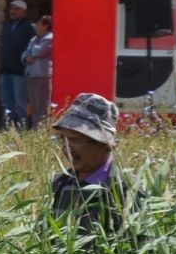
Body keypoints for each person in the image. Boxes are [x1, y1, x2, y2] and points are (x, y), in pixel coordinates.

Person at [50, 92, 130, 232]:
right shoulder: (60, 184)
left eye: (75, 140)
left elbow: (141, 245)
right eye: (64, 139)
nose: (66, 148)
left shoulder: (124, 189)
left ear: (104, 145)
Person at [0, 0, 36, 127]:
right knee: (6, 102)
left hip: (20, 71)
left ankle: (22, 128)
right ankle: (8, 128)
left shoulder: (29, 27)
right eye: (12, 9)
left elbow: (33, 47)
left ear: (24, 11)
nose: (13, 11)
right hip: (5, 69)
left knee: (21, 102)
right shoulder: (6, 25)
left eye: (17, 9)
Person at [24, 14, 55, 127]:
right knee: (33, 104)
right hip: (31, 74)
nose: (35, 26)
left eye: (38, 24)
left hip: (43, 75)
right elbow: (24, 54)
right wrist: (27, 57)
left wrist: (33, 47)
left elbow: (39, 52)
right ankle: (35, 128)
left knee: (41, 104)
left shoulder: (50, 38)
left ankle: (41, 130)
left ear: (45, 26)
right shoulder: (35, 39)